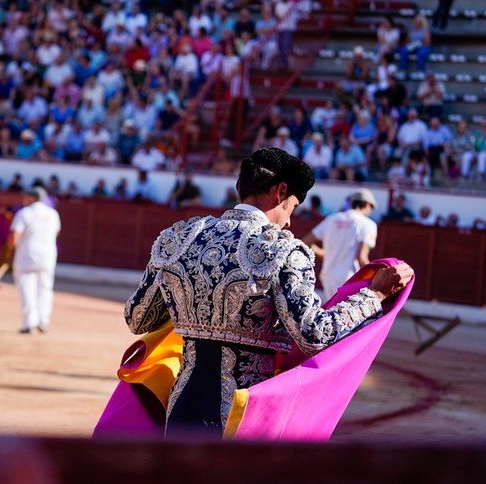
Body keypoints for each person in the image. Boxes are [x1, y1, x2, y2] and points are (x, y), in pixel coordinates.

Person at [124, 147, 413, 438]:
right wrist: (373, 296)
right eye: (292, 207)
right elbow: (314, 334)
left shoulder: (181, 238)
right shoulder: (283, 249)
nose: (288, 221)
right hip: (243, 413)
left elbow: (138, 318)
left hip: (181, 406)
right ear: (281, 192)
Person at [302, 188, 379, 299]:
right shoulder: (368, 224)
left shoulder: (332, 219)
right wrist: (375, 277)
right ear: (367, 204)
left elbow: (306, 242)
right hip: (350, 279)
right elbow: (361, 257)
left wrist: (323, 253)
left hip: (328, 275)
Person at [8, 186, 61, 335]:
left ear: (31, 198)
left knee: (27, 289)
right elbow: (56, 233)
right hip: (47, 257)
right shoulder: (53, 214)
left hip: (27, 255)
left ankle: (29, 323)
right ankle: (43, 320)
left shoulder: (24, 213)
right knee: (45, 288)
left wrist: (10, 252)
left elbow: (14, 235)